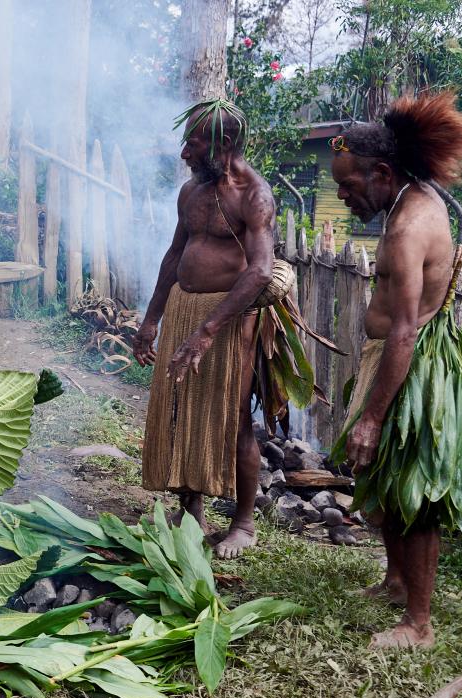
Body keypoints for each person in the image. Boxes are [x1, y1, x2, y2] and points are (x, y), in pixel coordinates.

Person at [329, 92, 462, 647]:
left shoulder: (405, 229)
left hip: (418, 365)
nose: (343, 195)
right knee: (391, 479)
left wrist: (373, 416)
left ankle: (418, 624)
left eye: (349, 185)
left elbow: (403, 330)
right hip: (407, 357)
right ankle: (397, 582)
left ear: (381, 172)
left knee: (416, 491)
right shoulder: (413, 198)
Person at [134, 99, 276, 559]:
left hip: (229, 317)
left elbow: (258, 271)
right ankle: (191, 511)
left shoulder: (254, 196)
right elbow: (174, 256)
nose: (184, 154)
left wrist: (209, 330)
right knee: (182, 408)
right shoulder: (191, 193)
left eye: (193, 144)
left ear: (225, 144)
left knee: (233, 419)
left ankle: (243, 523)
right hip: (182, 309)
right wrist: (152, 319)